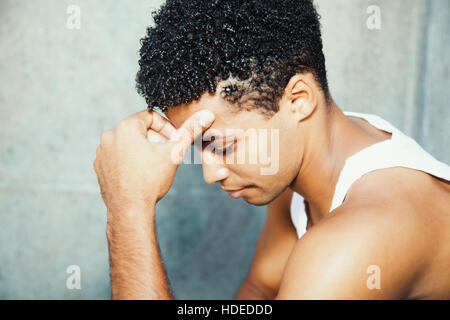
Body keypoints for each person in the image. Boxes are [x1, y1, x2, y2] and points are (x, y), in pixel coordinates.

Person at [93, 0, 450, 299]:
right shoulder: (300, 161)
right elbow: (261, 289)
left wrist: (128, 210)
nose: (210, 173)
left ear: (298, 99)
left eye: (222, 146)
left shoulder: (358, 240)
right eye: (199, 149)